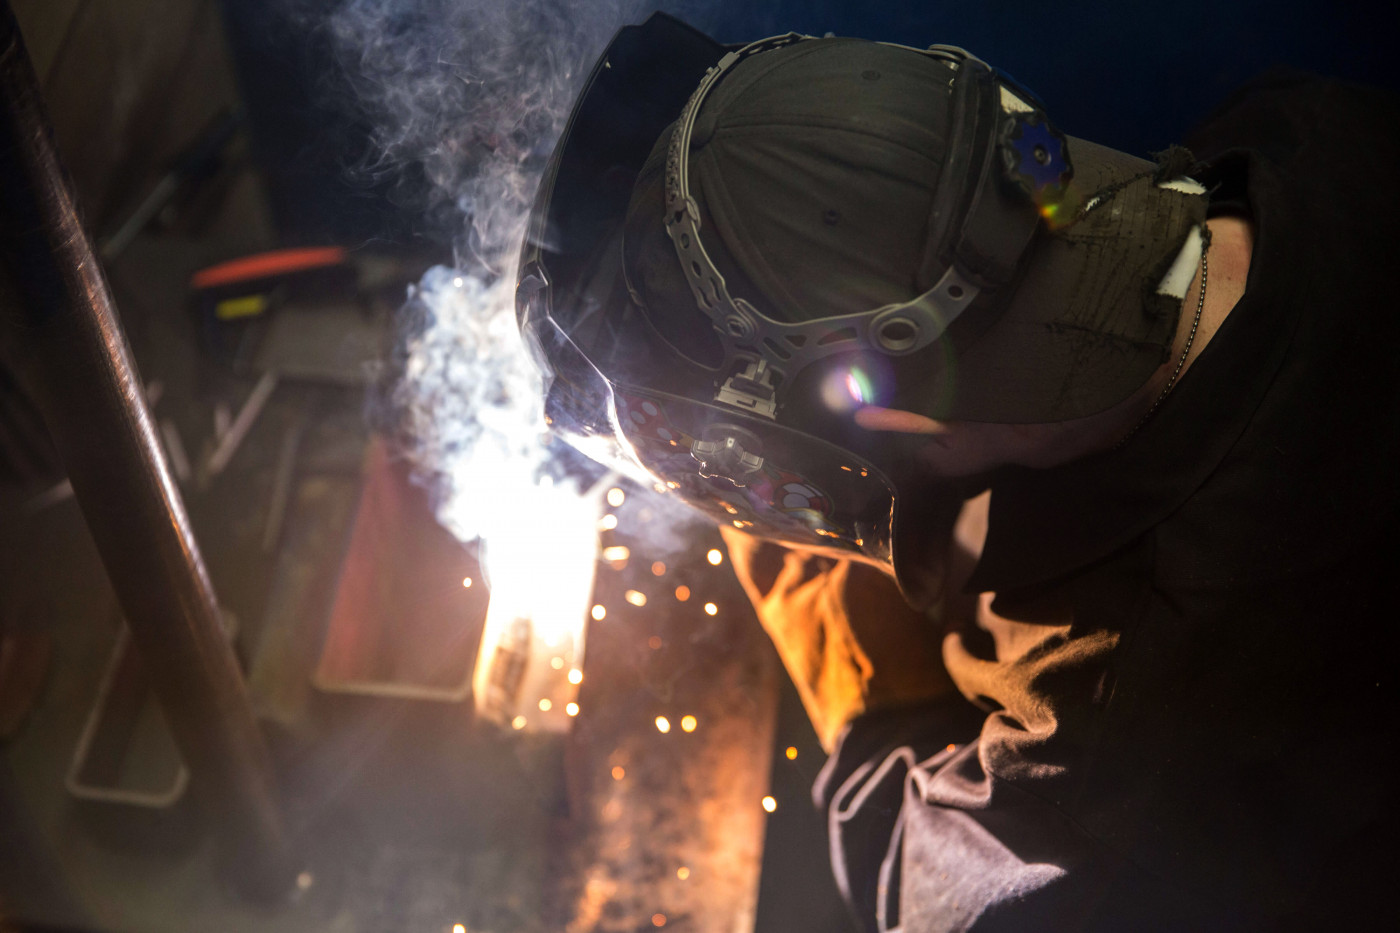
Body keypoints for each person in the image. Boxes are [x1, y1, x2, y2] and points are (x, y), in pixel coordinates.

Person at [518, 13, 1400, 930]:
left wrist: (867, 695)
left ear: (894, 417)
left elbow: (938, 891)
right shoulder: (1308, 128)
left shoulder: (1094, 765)